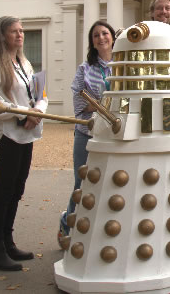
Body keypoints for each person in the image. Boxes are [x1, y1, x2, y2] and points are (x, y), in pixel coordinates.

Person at [0, 16, 48, 271]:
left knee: (17, 191)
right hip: (7, 137)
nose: (20, 35)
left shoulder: (25, 63)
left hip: (27, 135)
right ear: (2, 35)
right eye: (14, 31)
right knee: (4, 192)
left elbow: (40, 93)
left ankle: (8, 242)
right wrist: (24, 113)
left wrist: (38, 111)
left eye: (22, 31)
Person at [58, 20, 116, 246]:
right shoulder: (85, 69)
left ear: (112, 37)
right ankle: (67, 223)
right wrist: (106, 103)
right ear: (92, 42)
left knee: (110, 183)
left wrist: (99, 102)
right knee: (81, 183)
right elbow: (78, 100)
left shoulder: (123, 64)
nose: (101, 38)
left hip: (113, 133)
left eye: (105, 33)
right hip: (87, 132)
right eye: (96, 36)